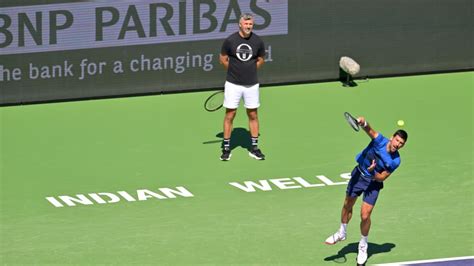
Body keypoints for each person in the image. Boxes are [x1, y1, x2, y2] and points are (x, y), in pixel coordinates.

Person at [325, 116, 408, 265]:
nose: (398, 144)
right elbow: (369, 130)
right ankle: (341, 232)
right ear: (392, 138)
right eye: (397, 140)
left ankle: (363, 246)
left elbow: (382, 177)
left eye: (401, 144)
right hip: (359, 175)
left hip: (373, 183)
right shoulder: (380, 141)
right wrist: (363, 122)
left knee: (365, 215)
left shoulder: (396, 161)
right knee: (347, 205)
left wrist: (373, 172)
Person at [219, 13, 266, 161]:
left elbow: (260, 60)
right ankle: (226, 148)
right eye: (246, 24)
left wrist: (249, 71)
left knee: (253, 115)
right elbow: (223, 59)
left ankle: (254, 148)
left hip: (252, 85)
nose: (248, 27)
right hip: (233, 84)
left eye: (250, 24)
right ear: (240, 24)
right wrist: (235, 72)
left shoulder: (258, 41)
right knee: (230, 115)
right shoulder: (230, 40)